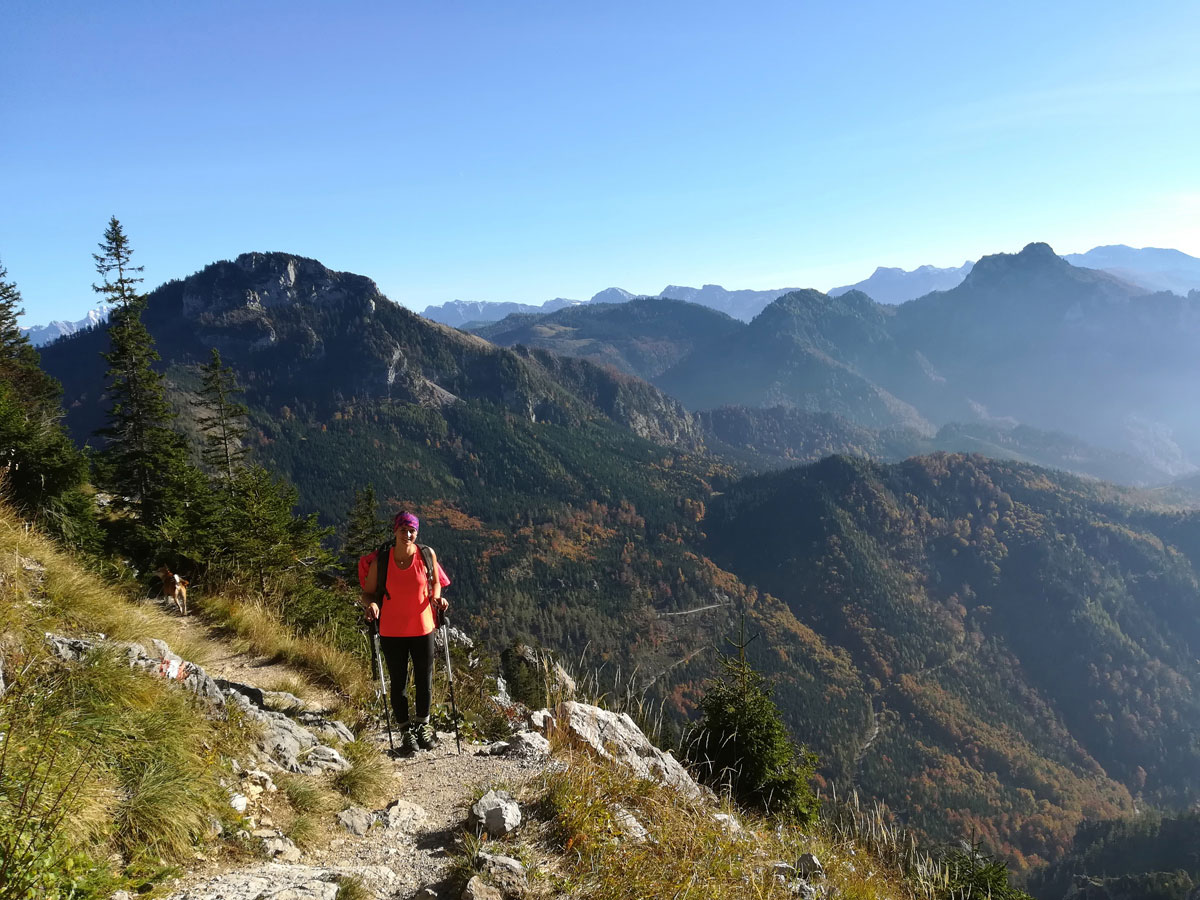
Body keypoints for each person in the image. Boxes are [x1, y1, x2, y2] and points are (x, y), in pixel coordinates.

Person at [360, 510, 449, 754]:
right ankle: (405, 731)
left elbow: (436, 582)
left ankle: (422, 726)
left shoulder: (426, 555)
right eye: (403, 530)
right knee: (398, 683)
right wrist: (372, 604)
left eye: (412, 531)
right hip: (392, 630)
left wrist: (437, 598)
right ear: (395, 531)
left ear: (416, 533)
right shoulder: (383, 561)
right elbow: (367, 593)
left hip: (423, 628)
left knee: (424, 679)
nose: (407, 535)